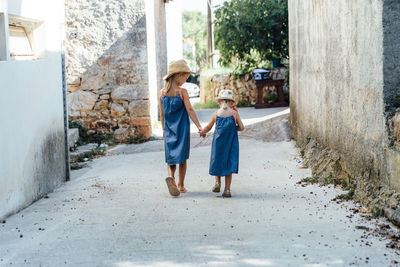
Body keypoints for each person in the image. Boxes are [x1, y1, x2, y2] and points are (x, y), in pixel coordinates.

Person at [159, 59, 203, 197]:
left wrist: (163, 130)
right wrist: (199, 126)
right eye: (185, 76)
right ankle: (181, 185)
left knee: (171, 157)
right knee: (182, 158)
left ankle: (171, 179)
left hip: (168, 129)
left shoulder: (161, 93)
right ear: (178, 75)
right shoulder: (182, 92)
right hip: (182, 130)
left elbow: (162, 114)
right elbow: (190, 110)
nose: (186, 79)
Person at [200, 90, 245, 198]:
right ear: (232, 102)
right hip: (231, 144)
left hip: (218, 143)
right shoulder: (234, 114)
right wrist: (234, 129)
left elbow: (208, 127)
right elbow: (242, 127)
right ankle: (227, 190)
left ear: (219, 102)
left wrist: (202, 132)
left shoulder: (216, 114)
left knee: (217, 161)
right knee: (228, 164)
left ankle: (217, 182)